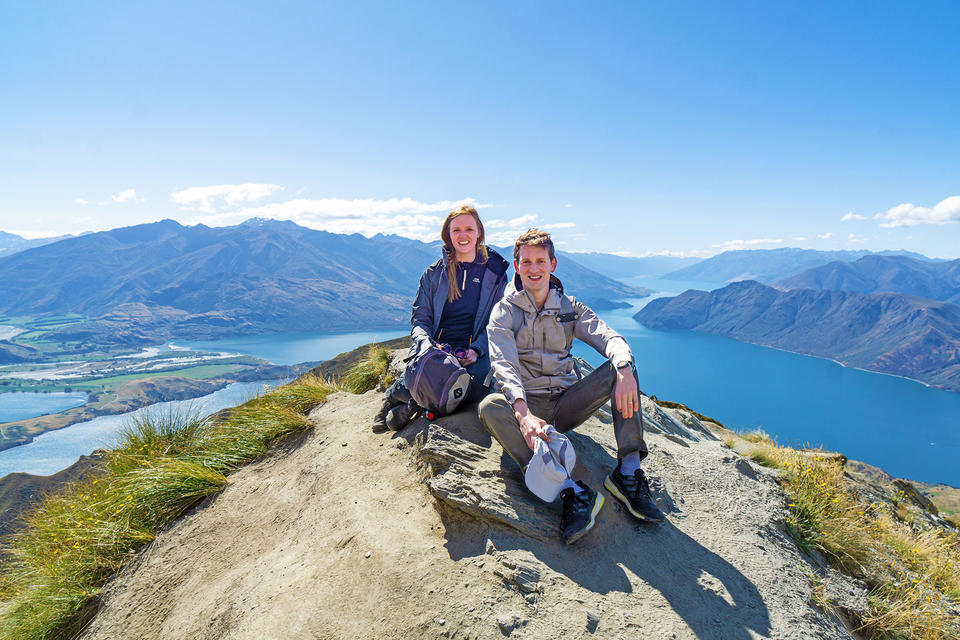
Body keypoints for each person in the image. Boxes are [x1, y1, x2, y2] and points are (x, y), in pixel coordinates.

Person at [479, 228, 664, 544]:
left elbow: (609, 337)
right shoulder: (504, 312)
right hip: (529, 408)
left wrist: (623, 368)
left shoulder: (570, 308)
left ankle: (628, 471)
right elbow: (504, 366)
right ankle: (571, 490)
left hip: (567, 404)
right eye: (526, 262)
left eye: (540, 261)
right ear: (517, 265)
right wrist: (523, 415)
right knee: (489, 407)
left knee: (621, 368)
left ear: (552, 264)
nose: (534, 269)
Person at [372, 205, 509, 432]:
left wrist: (477, 350)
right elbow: (420, 318)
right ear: (448, 235)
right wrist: (425, 345)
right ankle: (394, 397)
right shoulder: (433, 274)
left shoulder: (495, 274)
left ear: (479, 233)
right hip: (436, 350)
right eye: (456, 230)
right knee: (436, 374)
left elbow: (498, 322)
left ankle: (414, 402)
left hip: (473, 353)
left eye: (469, 229)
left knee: (479, 390)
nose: (463, 235)